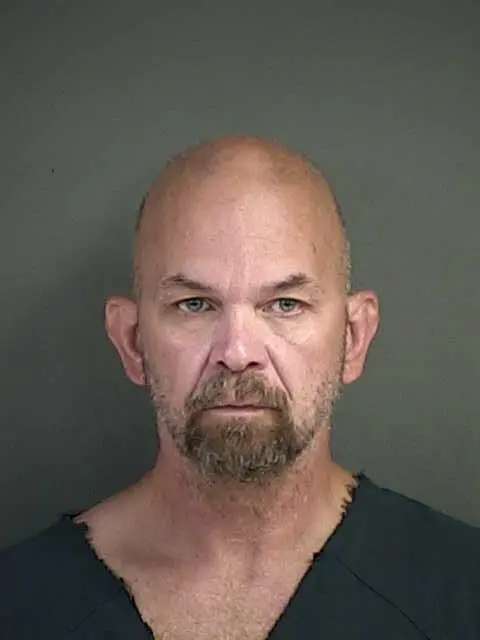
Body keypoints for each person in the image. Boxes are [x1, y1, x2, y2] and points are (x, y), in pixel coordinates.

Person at [0, 135, 478, 640]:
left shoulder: (464, 593)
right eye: (194, 305)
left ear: (353, 339)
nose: (237, 352)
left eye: (285, 304)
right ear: (133, 342)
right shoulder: (19, 606)